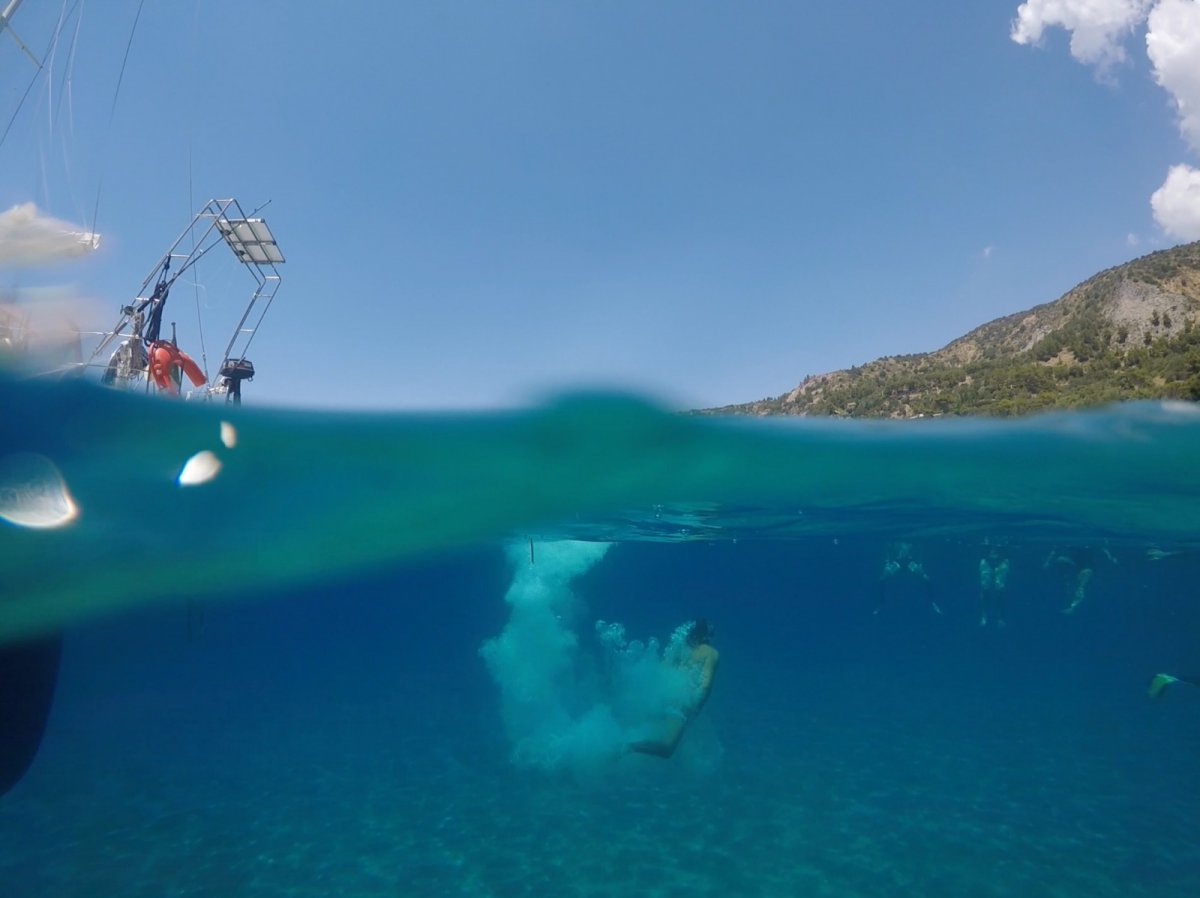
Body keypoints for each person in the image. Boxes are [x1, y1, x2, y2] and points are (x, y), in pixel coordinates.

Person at [629, 619, 719, 759]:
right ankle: (626, 747)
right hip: (681, 705)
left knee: (649, 733)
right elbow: (705, 685)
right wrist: (695, 708)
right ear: (707, 636)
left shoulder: (680, 648)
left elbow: (660, 671)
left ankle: (613, 743)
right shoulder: (711, 653)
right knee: (667, 749)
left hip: (663, 700)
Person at [1043, 545, 1115, 614]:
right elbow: (1055, 548)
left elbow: (1102, 547)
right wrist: (1048, 561)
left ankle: (1073, 605)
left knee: (1082, 582)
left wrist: (1110, 557)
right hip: (1075, 561)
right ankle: (1070, 601)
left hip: (1087, 564)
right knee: (1061, 560)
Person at [875, 541, 941, 616]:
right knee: (881, 580)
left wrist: (920, 563)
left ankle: (932, 602)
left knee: (927, 580)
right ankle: (881, 602)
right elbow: (888, 549)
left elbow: (920, 548)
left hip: (910, 562)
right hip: (897, 562)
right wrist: (887, 563)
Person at [978, 538, 1010, 627]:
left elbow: (1007, 548)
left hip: (1002, 561)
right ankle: (984, 615)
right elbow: (982, 548)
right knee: (985, 589)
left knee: (999, 590)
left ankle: (1000, 617)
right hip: (987, 561)